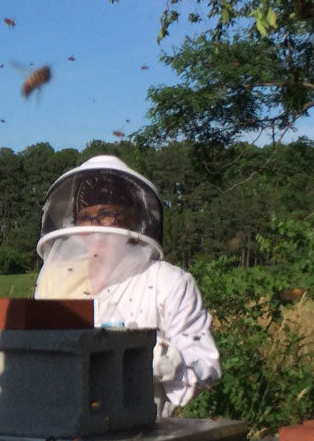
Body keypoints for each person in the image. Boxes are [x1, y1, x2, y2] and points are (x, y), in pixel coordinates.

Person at [34, 155, 220, 416]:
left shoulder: (168, 282)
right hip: (62, 426)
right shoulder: (56, 280)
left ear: (133, 219)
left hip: (141, 433)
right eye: (86, 217)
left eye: (106, 214)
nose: (95, 226)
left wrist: (158, 359)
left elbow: (205, 364)